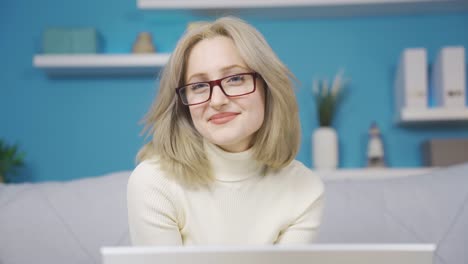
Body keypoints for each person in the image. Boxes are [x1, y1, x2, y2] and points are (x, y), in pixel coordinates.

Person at [127, 16, 324, 246]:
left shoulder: (305, 189)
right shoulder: (154, 182)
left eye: (235, 78)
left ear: (268, 87)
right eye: (199, 86)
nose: (218, 100)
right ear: (183, 103)